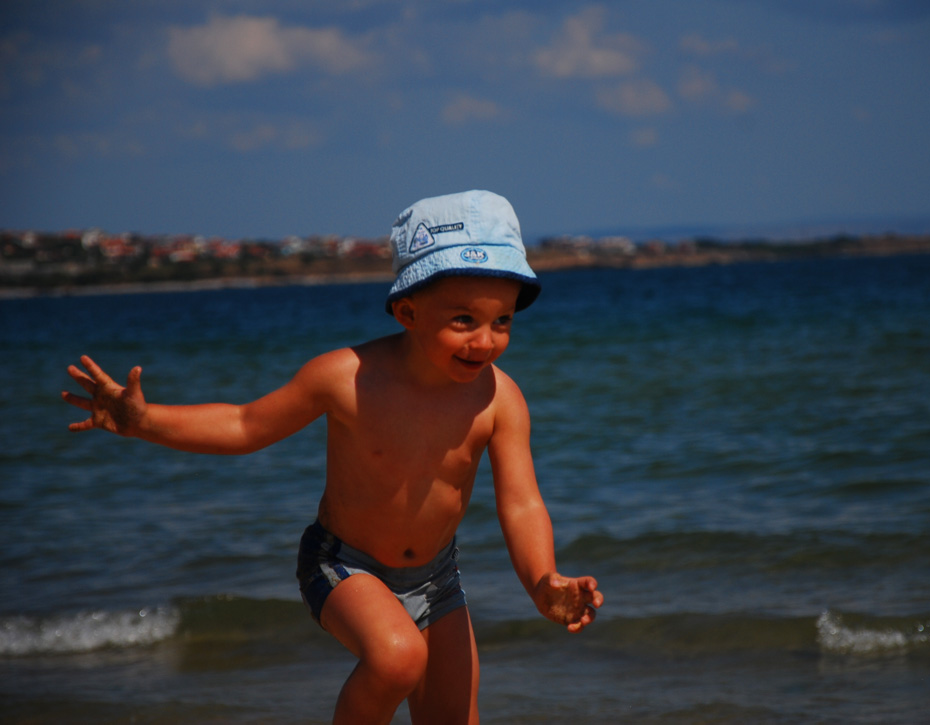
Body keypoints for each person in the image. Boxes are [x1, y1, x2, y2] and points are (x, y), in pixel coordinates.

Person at [62, 190, 604, 724]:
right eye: (463, 320)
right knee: (397, 658)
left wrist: (542, 580)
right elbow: (244, 425)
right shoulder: (346, 378)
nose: (485, 342)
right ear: (408, 311)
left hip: (438, 578)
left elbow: (521, 503)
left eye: (502, 321)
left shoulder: (499, 398)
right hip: (344, 564)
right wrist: (144, 421)